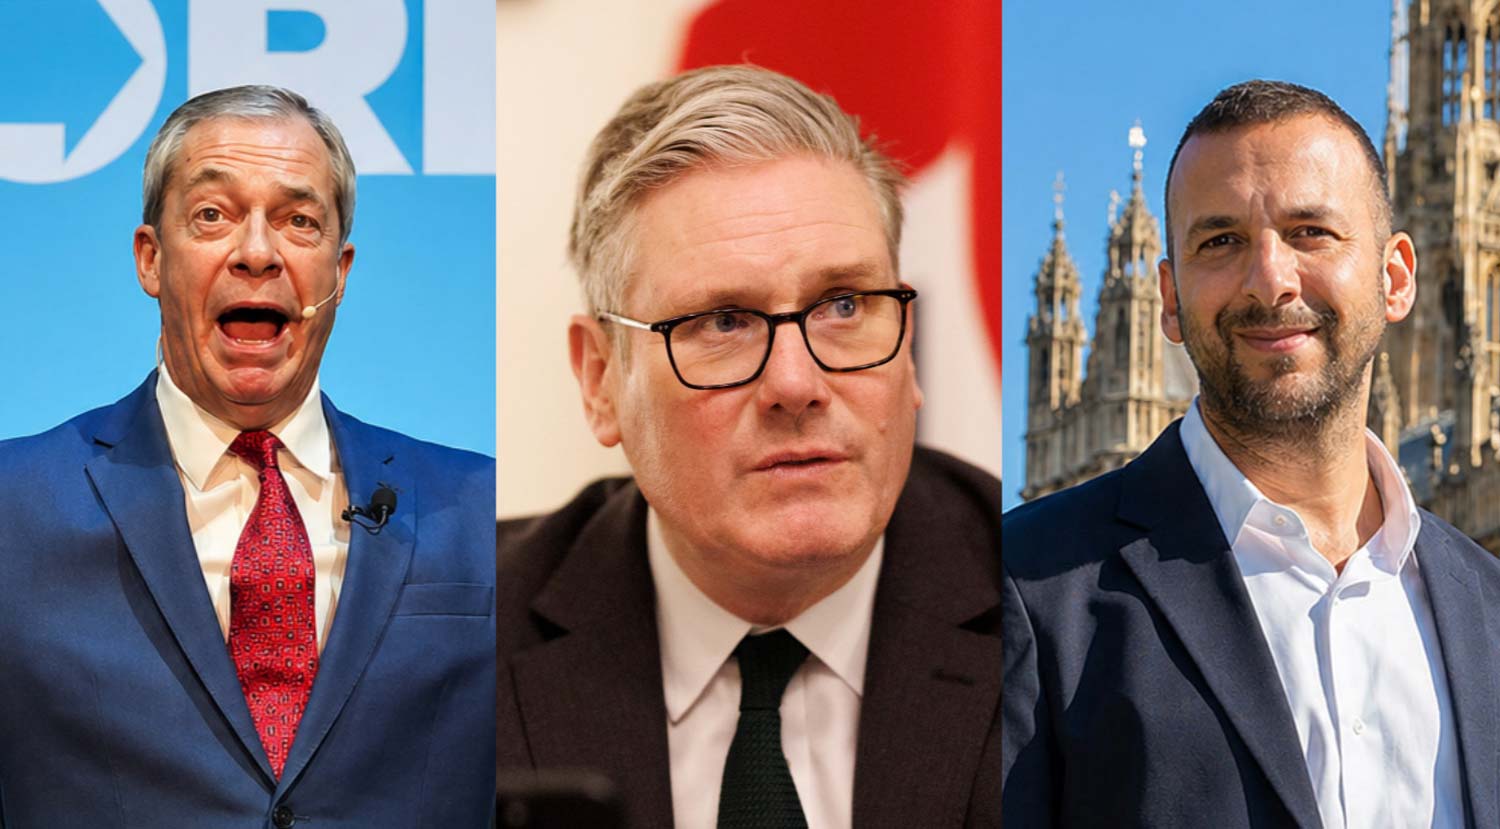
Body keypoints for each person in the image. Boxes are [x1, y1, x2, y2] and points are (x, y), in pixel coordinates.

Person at [496, 65, 1001, 828]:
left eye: (844, 305)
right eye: (723, 321)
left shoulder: (1056, 609)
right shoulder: (450, 637)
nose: (796, 383)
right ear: (601, 379)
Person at [1003, 79, 1500, 828]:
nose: (1271, 280)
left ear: (1396, 278)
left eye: (1311, 232)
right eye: (1221, 241)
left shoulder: (1488, 609)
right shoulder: (1027, 587)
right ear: (1168, 299)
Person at [0, 86, 494, 827]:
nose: (258, 253)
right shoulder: (12, 506)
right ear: (150, 259)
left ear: (340, 272)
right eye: (213, 215)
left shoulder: (478, 508)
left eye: (299, 221)